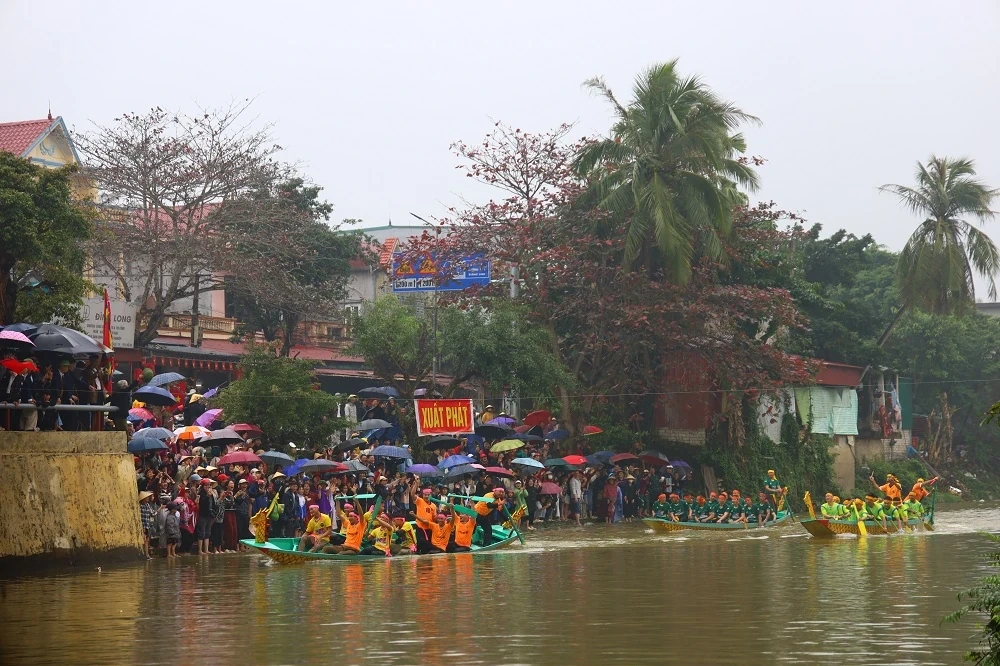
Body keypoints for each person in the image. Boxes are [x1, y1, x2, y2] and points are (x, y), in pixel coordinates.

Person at [139, 490, 156, 559]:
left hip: (147, 525)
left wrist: (159, 509)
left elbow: (152, 513)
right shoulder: (140, 506)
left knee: (147, 541)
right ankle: (146, 555)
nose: (148, 498)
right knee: (145, 540)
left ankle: (147, 554)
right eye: (147, 498)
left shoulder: (147, 505)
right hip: (143, 525)